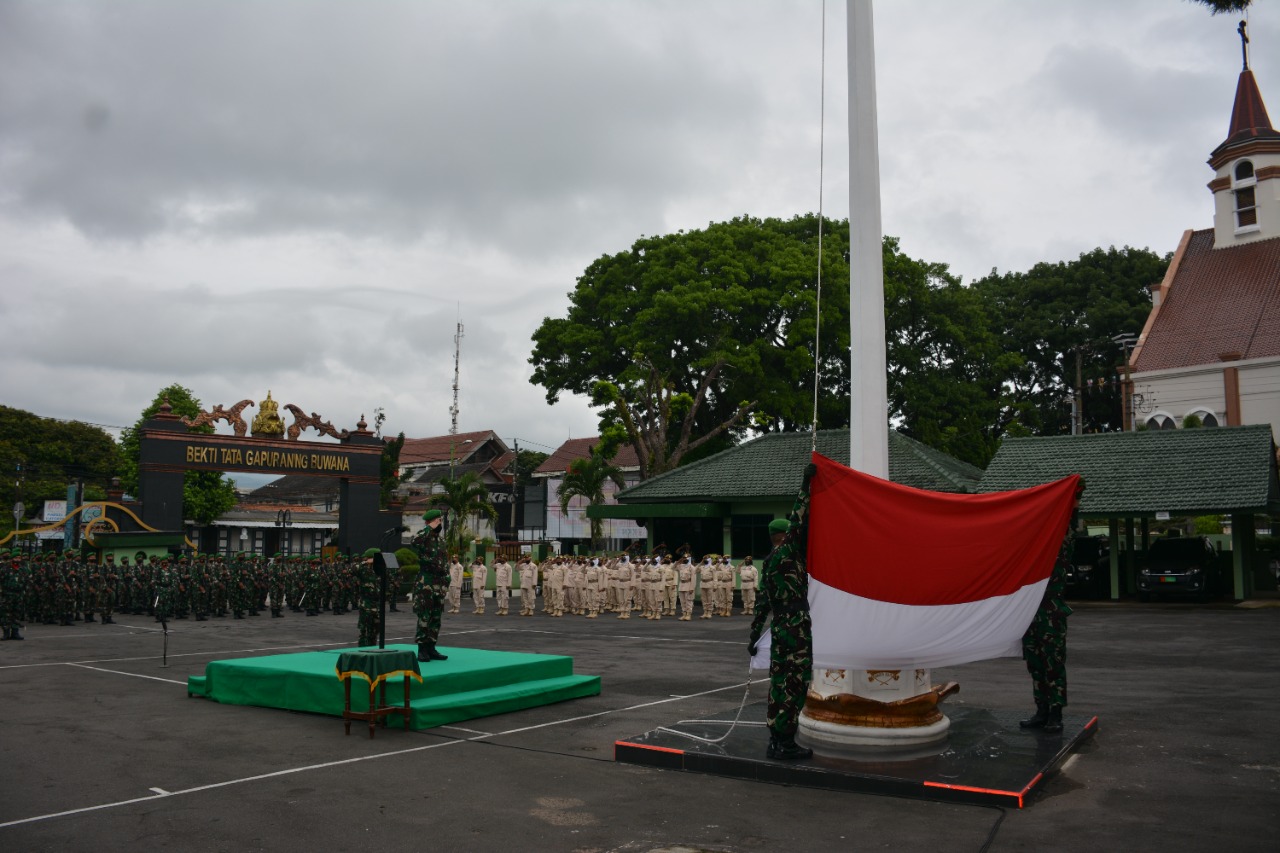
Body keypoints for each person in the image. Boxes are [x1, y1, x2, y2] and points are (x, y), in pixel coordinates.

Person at [748, 464, 815, 761]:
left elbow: (762, 604)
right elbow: (799, 515)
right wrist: (806, 482)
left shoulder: (768, 563)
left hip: (778, 626)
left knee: (779, 682)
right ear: (783, 535)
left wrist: (753, 637)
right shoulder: (788, 551)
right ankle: (786, 742)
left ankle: (775, 738)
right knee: (796, 683)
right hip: (796, 625)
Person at [1019, 504, 1080, 734]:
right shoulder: (1028, 559)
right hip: (1029, 618)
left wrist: (1073, 502)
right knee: (1035, 665)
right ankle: (1041, 711)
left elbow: (1070, 531)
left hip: (1051, 618)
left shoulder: (1059, 555)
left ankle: (1056, 713)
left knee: (1053, 666)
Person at [410, 510, 449, 662]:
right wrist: (428, 528)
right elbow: (414, 542)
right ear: (429, 522)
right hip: (425, 582)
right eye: (437, 520)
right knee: (424, 616)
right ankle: (422, 649)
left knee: (436, 617)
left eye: (440, 521)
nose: (439, 523)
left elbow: (444, 562)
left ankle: (431, 647)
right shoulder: (423, 537)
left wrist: (446, 580)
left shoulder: (441, 541)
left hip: (439, 583)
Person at [356, 547, 381, 647]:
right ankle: (362, 649)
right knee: (365, 629)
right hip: (366, 604)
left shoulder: (379, 569)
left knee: (375, 629)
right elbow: (351, 570)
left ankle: (372, 647)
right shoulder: (363, 569)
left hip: (377, 604)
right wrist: (365, 562)